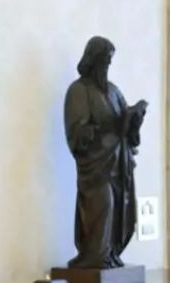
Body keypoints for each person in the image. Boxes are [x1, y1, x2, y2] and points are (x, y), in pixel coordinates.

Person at [63, 36, 148, 268]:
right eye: (104, 60)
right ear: (92, 59)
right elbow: (77, 133)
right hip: (96, 167)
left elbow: (127, 128)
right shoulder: (78, 91)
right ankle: (94, 256)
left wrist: (134, 120)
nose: (107, 66)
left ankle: (110, 254)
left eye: (110, 61)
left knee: (121, 210)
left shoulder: (114, 91)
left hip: (119, 163)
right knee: (104, 204)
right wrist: (108, 127)